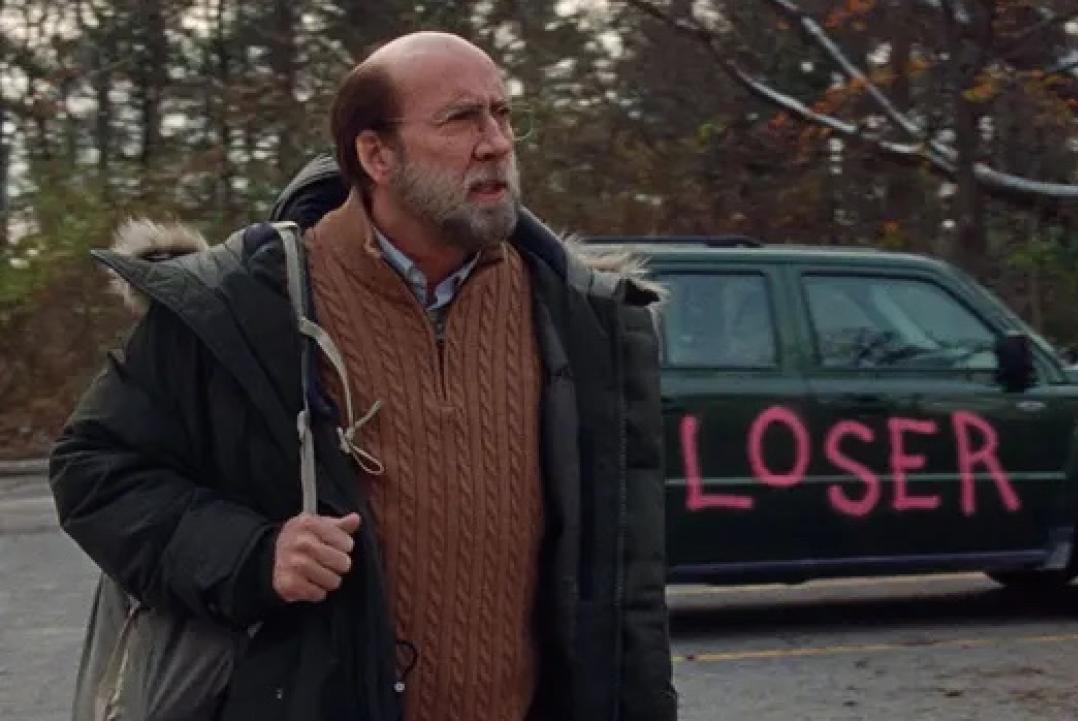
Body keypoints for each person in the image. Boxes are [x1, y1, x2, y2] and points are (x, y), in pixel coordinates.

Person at [50, 31, 676, 721]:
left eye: (502, 114)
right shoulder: (239, 307)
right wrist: (253, 555)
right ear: (376, 155)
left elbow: (627, 592)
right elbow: (94, 469)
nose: (496, 142)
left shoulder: (580, 316)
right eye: (461, 119)